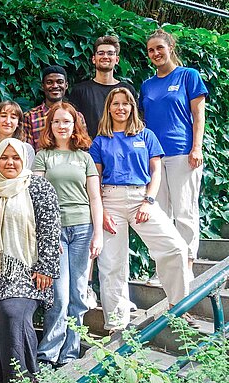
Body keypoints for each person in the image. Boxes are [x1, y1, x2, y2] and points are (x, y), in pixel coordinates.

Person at [90, 87, 189, 331]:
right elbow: (95, 179)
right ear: (109, 108)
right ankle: (116, 322)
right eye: (116, 103)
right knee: (112, 264)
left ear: (133, 107)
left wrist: (149, 201)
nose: (121, 108)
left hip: (141, 198)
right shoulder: (101, 140)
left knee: (175, 247)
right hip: (110, 200)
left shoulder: (146, 136)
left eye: (126, 103)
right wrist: (101, 212)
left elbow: (156, 172)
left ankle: (178, 306)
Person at [0, 138, 61, 382]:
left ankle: (25, 378)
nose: (10, 162)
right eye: (4, 157)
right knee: (0, 335)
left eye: (15, 157)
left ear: (24, 160)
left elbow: (50, 228)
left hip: (28, 273)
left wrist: (46, 267)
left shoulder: (38, 187)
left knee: (12, 314)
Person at [33, 102, 103, 366]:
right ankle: (48, 354)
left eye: (66, 121)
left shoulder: (84, 157)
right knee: (59, 297)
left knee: (78, 294)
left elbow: (95, 197)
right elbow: (37, 198)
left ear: (75, 125)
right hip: (55, 232)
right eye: (56, 122)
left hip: (83, 229)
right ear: (49, 126)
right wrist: (46, 236)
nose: (61, 126)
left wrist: (98, 235)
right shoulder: (43, 156)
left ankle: (70, 354)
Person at [139, 29, 208, 278]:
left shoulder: (188, 76)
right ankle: (165, 268)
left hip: (182, 153)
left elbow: (199, 115)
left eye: (160, 47)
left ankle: (186, 266)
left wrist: (196, 147)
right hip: (155, 157)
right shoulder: (147, 85)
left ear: (170, 48)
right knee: (161, 215)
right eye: (151, 50)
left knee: (185, 212)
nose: (155, 53)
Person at [69, 35, 137, 139]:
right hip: (89, 150)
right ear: (93, 59)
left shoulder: (127, 90)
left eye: (110, 53)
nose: (105, 56)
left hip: (123, 148)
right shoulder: (80, 91)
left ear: (117, 59)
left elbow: (135, 121)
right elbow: (72, 123)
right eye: (101, 53)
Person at [23, 65, 86, 151]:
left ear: (66, 85)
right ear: (42, 86)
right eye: (49, 82)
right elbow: (26, 152)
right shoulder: (30, 117)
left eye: (60, 82)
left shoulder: (77, 116)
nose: (55, 86)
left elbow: (83, 147)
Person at [0, 100, 35, 169]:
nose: (7, 121)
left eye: (13, 117)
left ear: (18, 123)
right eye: (3, 116)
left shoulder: (26, 149)